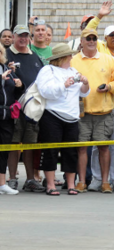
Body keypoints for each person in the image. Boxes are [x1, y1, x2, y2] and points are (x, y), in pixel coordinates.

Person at [84, 2, 114, 192]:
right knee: (99, 143)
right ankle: (97, 178)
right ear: (104, 38)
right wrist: (99, 16)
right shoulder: (100, 48)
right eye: (111, 35)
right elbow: (87, 32)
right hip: (102, 101)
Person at [71, 28, 114, 193]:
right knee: (81, 148)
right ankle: (81, 181)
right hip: (82, 112)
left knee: (104, 147)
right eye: (88, 38)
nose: (91, 41)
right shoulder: (73, 60)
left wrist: (109, 87)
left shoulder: (107, 59)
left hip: (103, 111)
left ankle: (105, 182)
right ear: (82, 41)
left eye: (94, 38)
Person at [36, 43, 89, 195]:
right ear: (63, 57)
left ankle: (71, 184)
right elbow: (45, 91)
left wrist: (85, 83)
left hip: (72, 117)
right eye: (70, 55)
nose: (72, 57)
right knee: (51, 150)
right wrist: (64, 85)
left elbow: (84, 93)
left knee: (71, 152)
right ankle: (51, 185)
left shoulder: (73, 71)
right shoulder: (48, 70)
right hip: (52, 115)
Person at [7, 24, 46, 192]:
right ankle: (13, 178)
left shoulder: (35, 56)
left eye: (25, 36)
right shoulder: (7, 55)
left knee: (30, 144)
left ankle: (30, 179)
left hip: (33, 108)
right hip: (14, 107)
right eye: (19, 35)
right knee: (14, 144)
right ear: (14, 37)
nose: (23, 39)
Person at [0, 45, 19, 195]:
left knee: (4, 150)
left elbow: (14, 90)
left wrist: (19, 84)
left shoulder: (6, 68)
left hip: (7, 115)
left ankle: (2, 183)